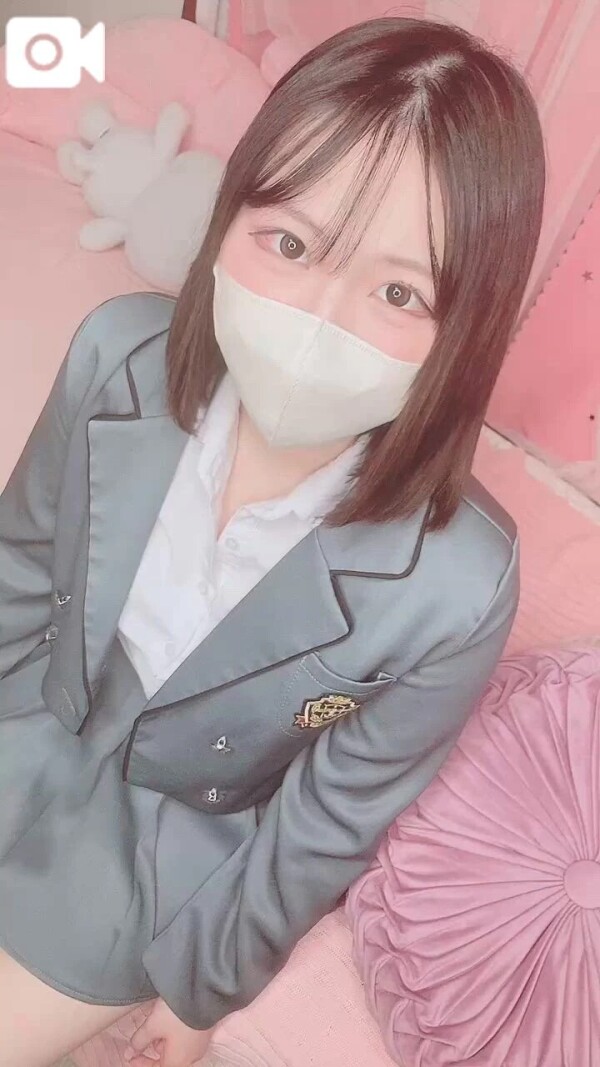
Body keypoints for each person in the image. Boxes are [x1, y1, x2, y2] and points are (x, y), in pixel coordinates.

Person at [0, 15, 545, 1067]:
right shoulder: (117, 354)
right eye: (288, 244)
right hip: (30, 708)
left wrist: (206, 981)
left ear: (466, 328)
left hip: (161, 841)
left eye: (398, 292)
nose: (316, 318)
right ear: (227, 218)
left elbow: (328, 820)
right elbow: (20, 563)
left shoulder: (458, 583)